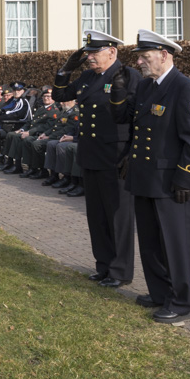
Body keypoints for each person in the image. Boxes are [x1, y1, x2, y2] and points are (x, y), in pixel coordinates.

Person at [111, 29, 190, 323]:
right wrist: (128, 155)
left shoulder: (184, 88)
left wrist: (186, 177)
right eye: (139, 56)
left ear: (164, 55)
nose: (140, 61)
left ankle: (181, 302)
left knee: (176, 244)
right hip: (145, 176)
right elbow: (134, 125)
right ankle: (160, 292)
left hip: (171, 181)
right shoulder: (147, 87)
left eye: (145, 56)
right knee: (151, 241)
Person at [53, 30, 141, 290]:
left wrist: (132, 154)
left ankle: (121, 270)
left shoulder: (127, 76)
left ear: (112, 52)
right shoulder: (88, 76)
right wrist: (64, 71)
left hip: (116, 156)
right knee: (97, 215)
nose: (88, 57)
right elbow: (60, 95)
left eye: (94, 52)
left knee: (118, 216)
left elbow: (137, 118)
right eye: (88, 52)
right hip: (91, 154)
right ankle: (103, 265)